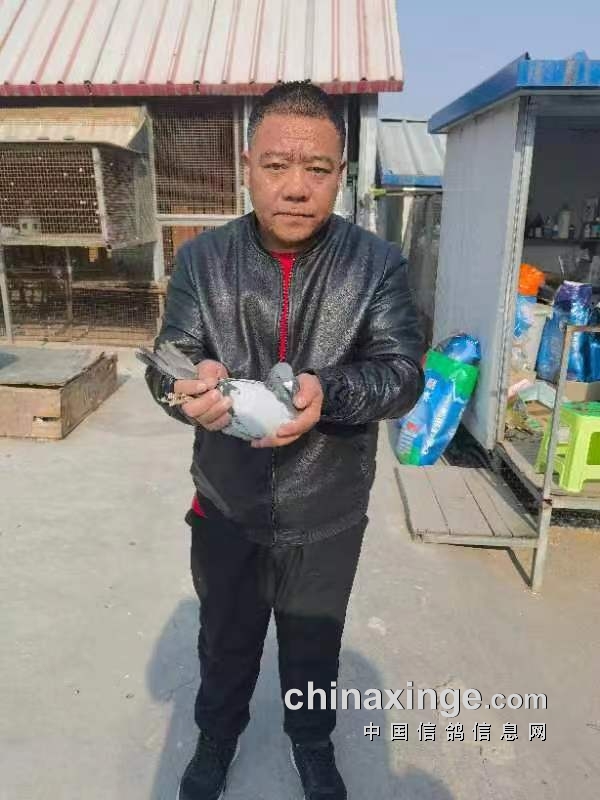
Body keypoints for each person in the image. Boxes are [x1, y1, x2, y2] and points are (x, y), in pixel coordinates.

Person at [145, 81, 424, 800]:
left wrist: (331, 391)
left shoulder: (376, 264)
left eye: (317, 168)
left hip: (327, 511)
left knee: (313, 647)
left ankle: (311, 742)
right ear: (247, 166)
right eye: (276, 165)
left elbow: (401, 374)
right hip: (226, 505)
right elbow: (168, 359)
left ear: (341, 172)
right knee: (224, 640)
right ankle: (217, 736)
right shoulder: (204, 260)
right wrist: (187, 387)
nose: (296, 187)